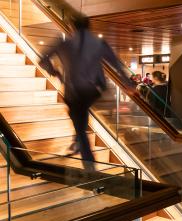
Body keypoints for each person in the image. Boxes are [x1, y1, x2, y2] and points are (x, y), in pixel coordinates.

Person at [39, 15, 131, 170]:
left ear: (72, 27)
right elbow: (117, 65)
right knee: (80, 113)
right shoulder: (99, 43)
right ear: (89, 26)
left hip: (74, 91)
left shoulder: (64, 42)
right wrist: (128, 84)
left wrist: (55, 72)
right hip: (94, 90)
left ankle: (89, 165)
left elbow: (43, 59)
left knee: (79, 124)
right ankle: (76, 141)